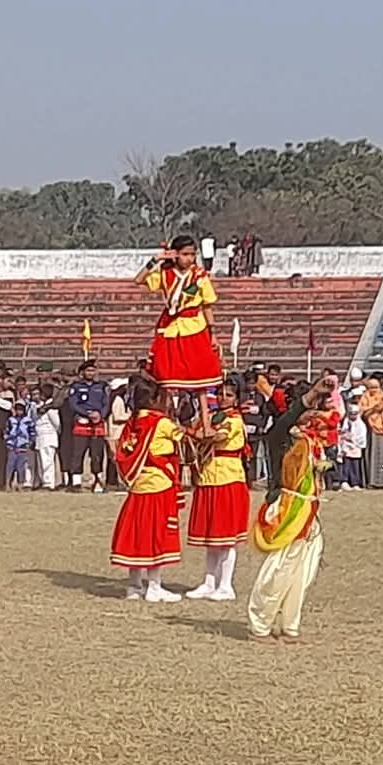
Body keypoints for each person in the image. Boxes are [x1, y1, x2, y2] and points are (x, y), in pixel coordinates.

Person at [247, 417, 326, 642]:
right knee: (280, 567)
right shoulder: (284, 439)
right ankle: (260, 623)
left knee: (304, 571)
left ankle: (290, 624)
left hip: (309, 510)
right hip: (290, 510)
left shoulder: (313, 444)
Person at [109, 376, 184, 601]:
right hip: (159, 484)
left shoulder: (132, 422)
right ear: (154, 399)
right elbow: (187, 440)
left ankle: (134, 585)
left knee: (138, 534)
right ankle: (154, 585)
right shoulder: (161, 423)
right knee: (156, 534)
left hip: (138, 485)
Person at [184, 380, 249, 600]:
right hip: (207, 477)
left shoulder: (235, 421)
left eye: (229, 395)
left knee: (226, 537)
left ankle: (226, 584)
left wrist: (192, 430)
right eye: (220, 394)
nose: (223, 398)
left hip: (228, 479)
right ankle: (209, 581)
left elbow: (215, 437)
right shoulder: (210, 416)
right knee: (211, 537)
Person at [139, 235, 223, 395]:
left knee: (200, 380)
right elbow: (138, 280)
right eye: (185, 254)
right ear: (176, 254)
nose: (189, 258)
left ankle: (204, 418)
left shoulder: (199, 276)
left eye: (192, 255)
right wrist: (156, 259)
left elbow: (207, 307)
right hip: (171, 327)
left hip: (195, 327)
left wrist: (213, 335)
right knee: (166, 378)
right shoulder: (165, 273)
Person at [64, 362, 110, 491]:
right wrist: (87, 414)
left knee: (97, 454)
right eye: (88, 371)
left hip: (97, 423)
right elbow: (73, 404)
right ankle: (76, 483)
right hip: (82, 422)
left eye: (93, 370)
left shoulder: (102, 386)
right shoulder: (76, 387)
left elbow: (106, 403)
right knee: (78, 453)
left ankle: (98, 481)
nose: (91, 373)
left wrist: (100, 415)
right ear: (82, 372)